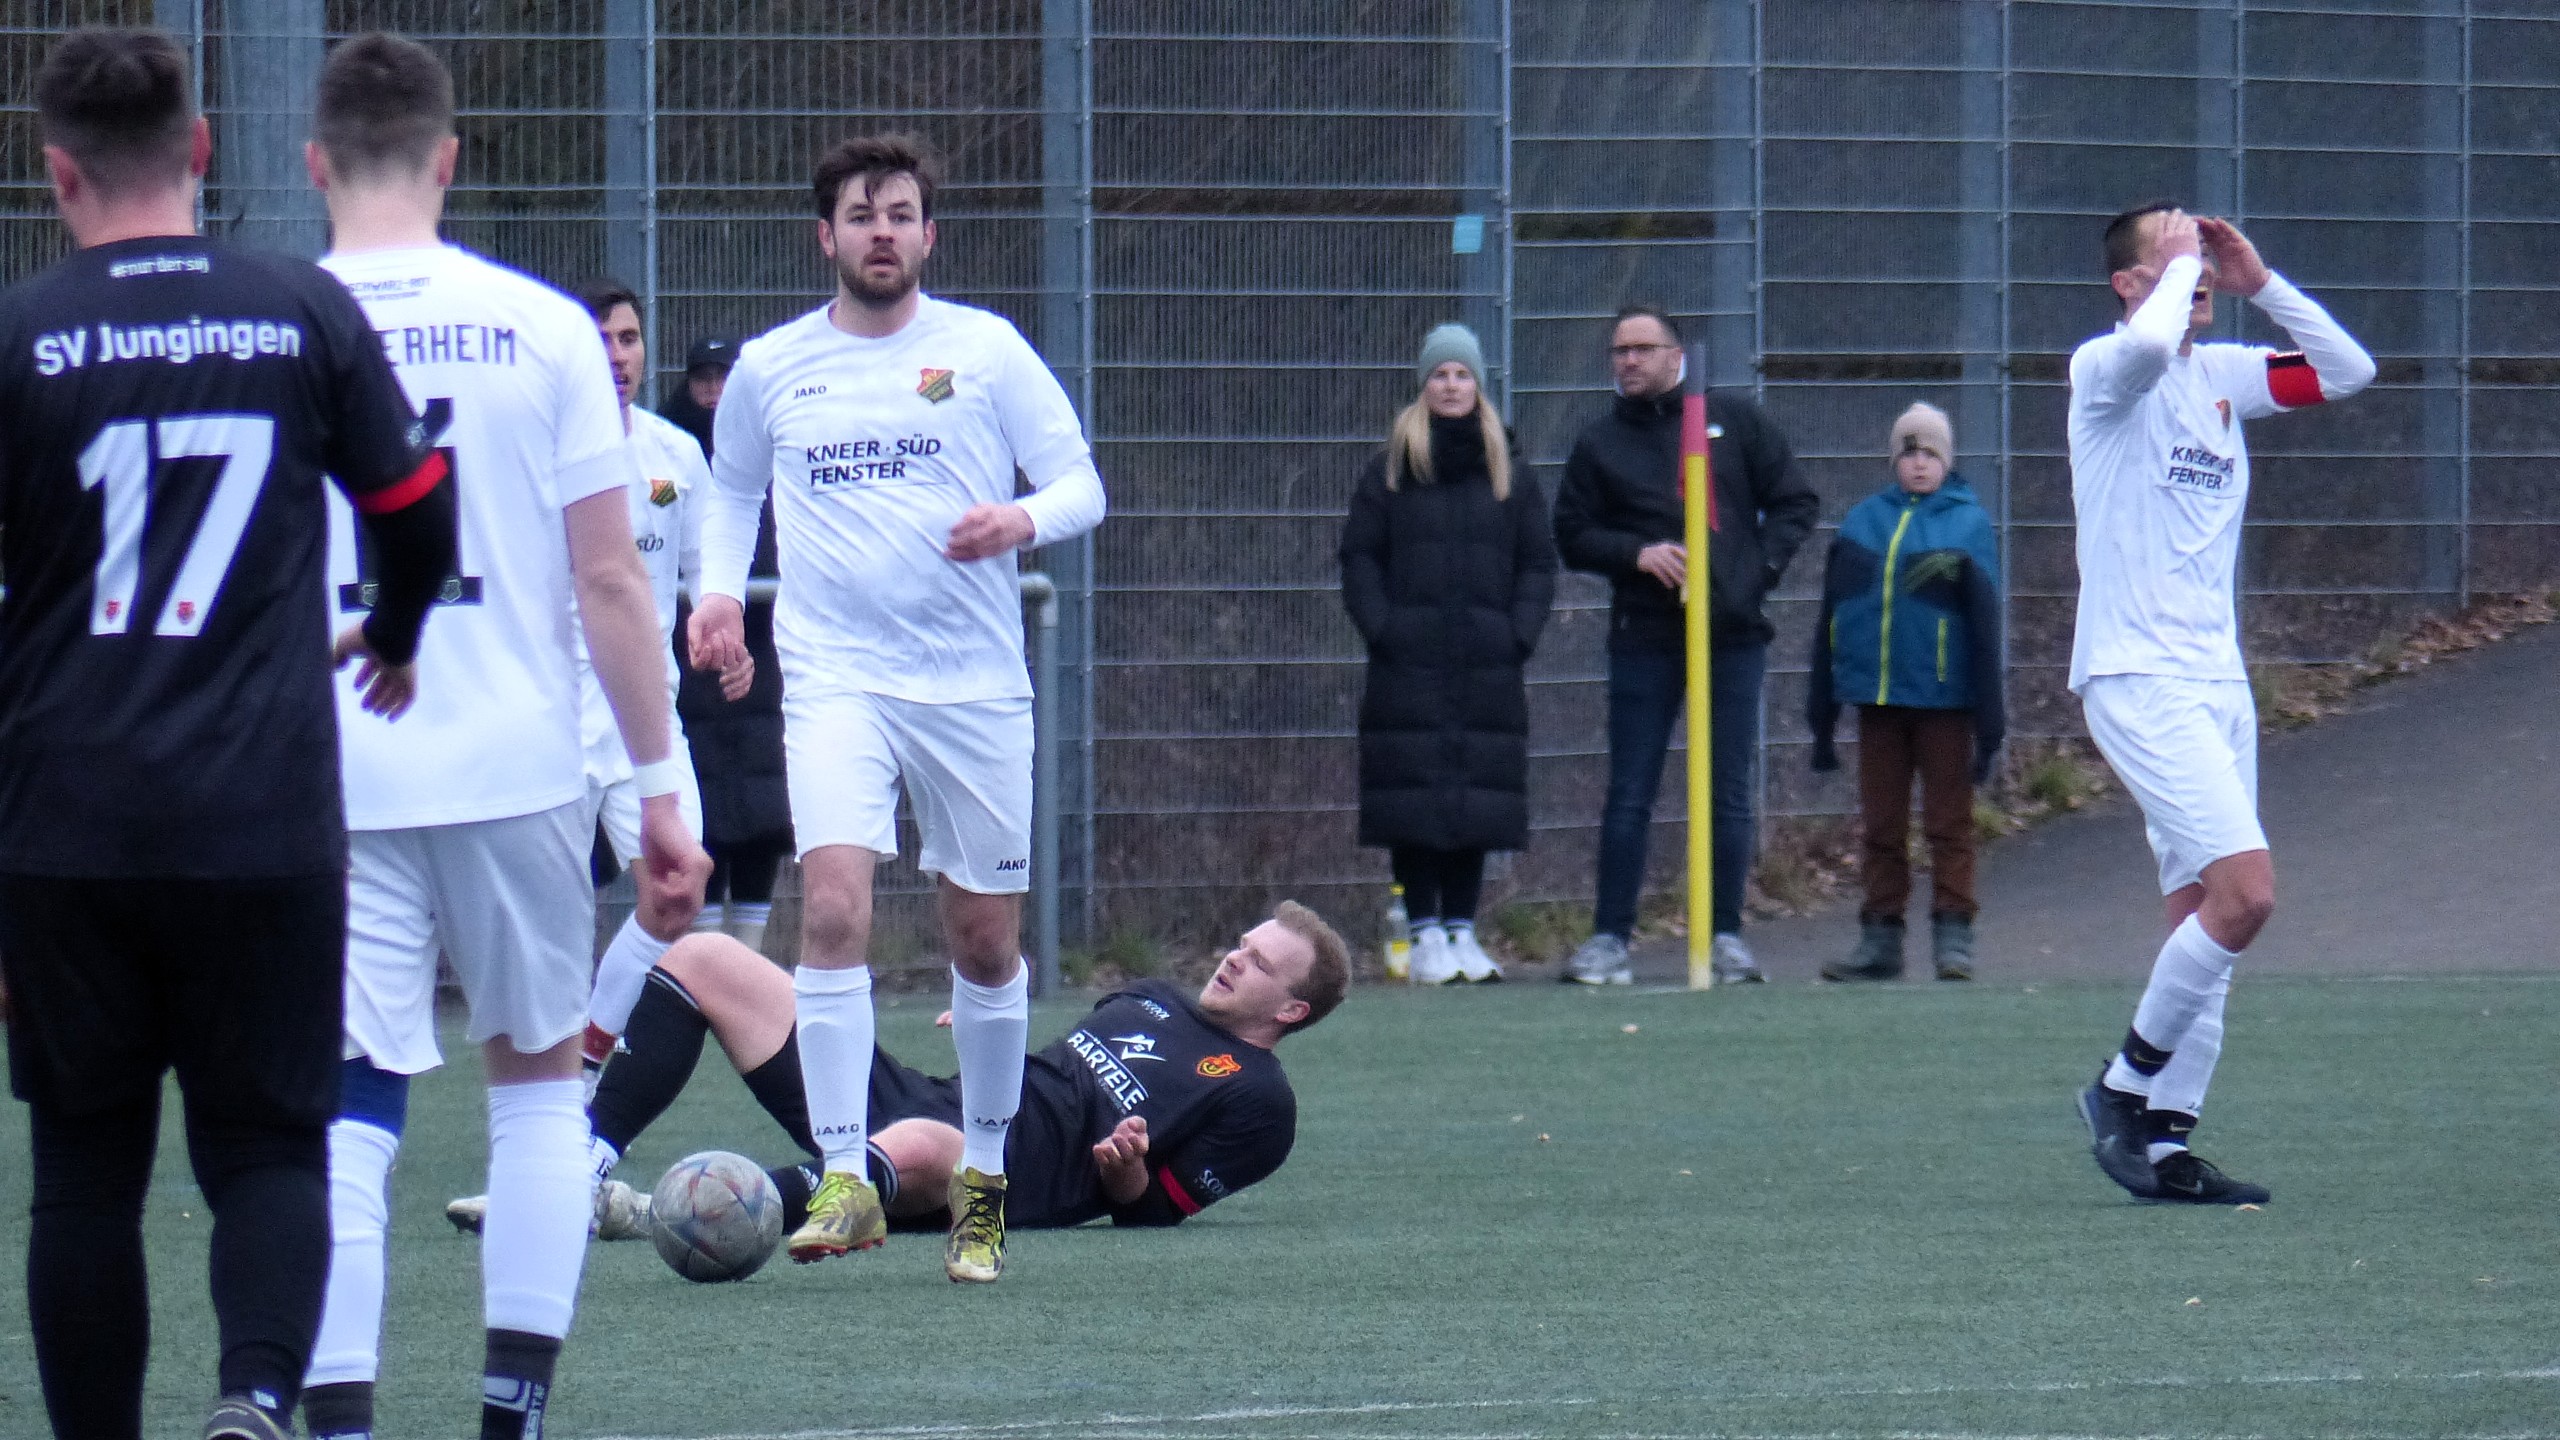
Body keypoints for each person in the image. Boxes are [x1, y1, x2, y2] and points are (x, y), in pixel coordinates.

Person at [0, 29, 454, 1440]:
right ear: (200, 151)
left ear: (55, 172)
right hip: (261, 818)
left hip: (64, 822)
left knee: (84, 1172)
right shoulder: (298, 307)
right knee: (266, 1147)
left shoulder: (17, 334)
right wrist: (392, 632)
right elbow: (418, 513)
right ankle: (255, 1397)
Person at [296, 35, 709, 1440]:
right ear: (450, 158)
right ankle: (509, 1420)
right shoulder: (542, 327)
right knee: (535, 1100)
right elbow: (611, 581)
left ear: (314, 163)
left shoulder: (282, 319)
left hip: (332, 774)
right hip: (520, 769)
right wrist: (661, 791)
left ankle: (340, 1427)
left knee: (344, 1114)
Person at [687, 132, 1107, 1283]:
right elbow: (729, 494)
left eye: (901, 214)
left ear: (930, 234)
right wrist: (717, 596)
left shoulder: (984, 350)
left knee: (985, 940)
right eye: (862, 215)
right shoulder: (773, 367)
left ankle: (983, 1182)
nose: (882, 232)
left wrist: (1020, 520)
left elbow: (1081, 483)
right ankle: (844, 1177)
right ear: (824, 236)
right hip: (837, 678)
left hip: (971, 686)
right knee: (831, 909)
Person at [2068, 202, 2373, 1206]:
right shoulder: (2106, 367)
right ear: (2128, 282)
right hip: (2137, 676)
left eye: (2199, 249)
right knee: (2247, 895)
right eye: (2173, 250)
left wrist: (2261, 284)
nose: (2195, 264)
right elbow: (2147, 344)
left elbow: (2347, 371)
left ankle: (2163, 1146)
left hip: (2216, 684)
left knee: (2202, 923)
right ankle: (2121, 1088)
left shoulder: (2223, 377)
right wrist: (2174, 276)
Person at [448, 901, 1351, 1237]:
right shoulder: (1148, 997)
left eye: (1260, 964)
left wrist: (1126, 1175)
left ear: (1291, 1010)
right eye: (1242, 944)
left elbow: (1150, 1214)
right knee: (701, 957)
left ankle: (665, 1216)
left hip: (999, 1177)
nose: (1234, 959)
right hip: (942, 1097)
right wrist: (987, 1040)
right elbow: (1045, 1075)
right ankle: (577, 1174)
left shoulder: (1261, 1101)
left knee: (919, 1148)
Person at [1551, 305, 1818, 986]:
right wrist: (1636, 554)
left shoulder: (1734, 422)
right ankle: (1610, 939)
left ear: (1677, 355)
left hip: (1730, 636)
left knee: (1728, 789)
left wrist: (1752, 574)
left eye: (1642, 349)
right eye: (1620, 351)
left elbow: (1795, 502)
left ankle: (1726, 936)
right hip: (1644, 638)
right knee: (1630, 790)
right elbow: (1572, 532)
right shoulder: (1601, 442)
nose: (1629, 362)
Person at [569, 276, 753, 1084]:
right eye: (599, 340)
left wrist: (722, 628)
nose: (617, 356)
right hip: (549, 722)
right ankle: (539, 1103)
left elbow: (707, 569)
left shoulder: (674, 454)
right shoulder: (534, 450)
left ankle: (583, 1066)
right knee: (545, 928)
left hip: (643, 720)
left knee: (679, 888)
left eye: (629, 338)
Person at [1340, 323, 1556, 984]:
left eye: (1463, 374)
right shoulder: (1390, 471)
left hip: (1486, 665)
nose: (1452, 385)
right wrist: (1385, 630)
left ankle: (1463, 928)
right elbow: (1359, 558)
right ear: (1424, 384)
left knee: (1476, 798)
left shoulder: (1509, 471)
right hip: (1408, 666)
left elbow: (1537, 562)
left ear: (1478, 385)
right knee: (1415, 799)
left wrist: (1516, 634)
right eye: (1440, 374)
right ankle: (1425, 931)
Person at [1807, 402, 2004, 982]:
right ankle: (1880, 938)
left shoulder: (1968, 526)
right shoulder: (1861, 523)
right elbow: (1832, 617)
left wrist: (1989, 721)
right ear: (1894, 459)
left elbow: (1986, 629)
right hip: (1879, 702)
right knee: (1881, 825)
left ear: (1947, 461)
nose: (1919, 464)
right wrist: (1823, 712)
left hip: (1946, 703)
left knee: (1949, 822)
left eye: (1931, 454)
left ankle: (1954, 937)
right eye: (1909, 452)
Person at [657, 335, 733, 458]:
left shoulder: (758, 424)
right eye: (703, 378)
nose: (713, 388)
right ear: (689, 384)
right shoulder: (665, 429)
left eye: (724, 377)